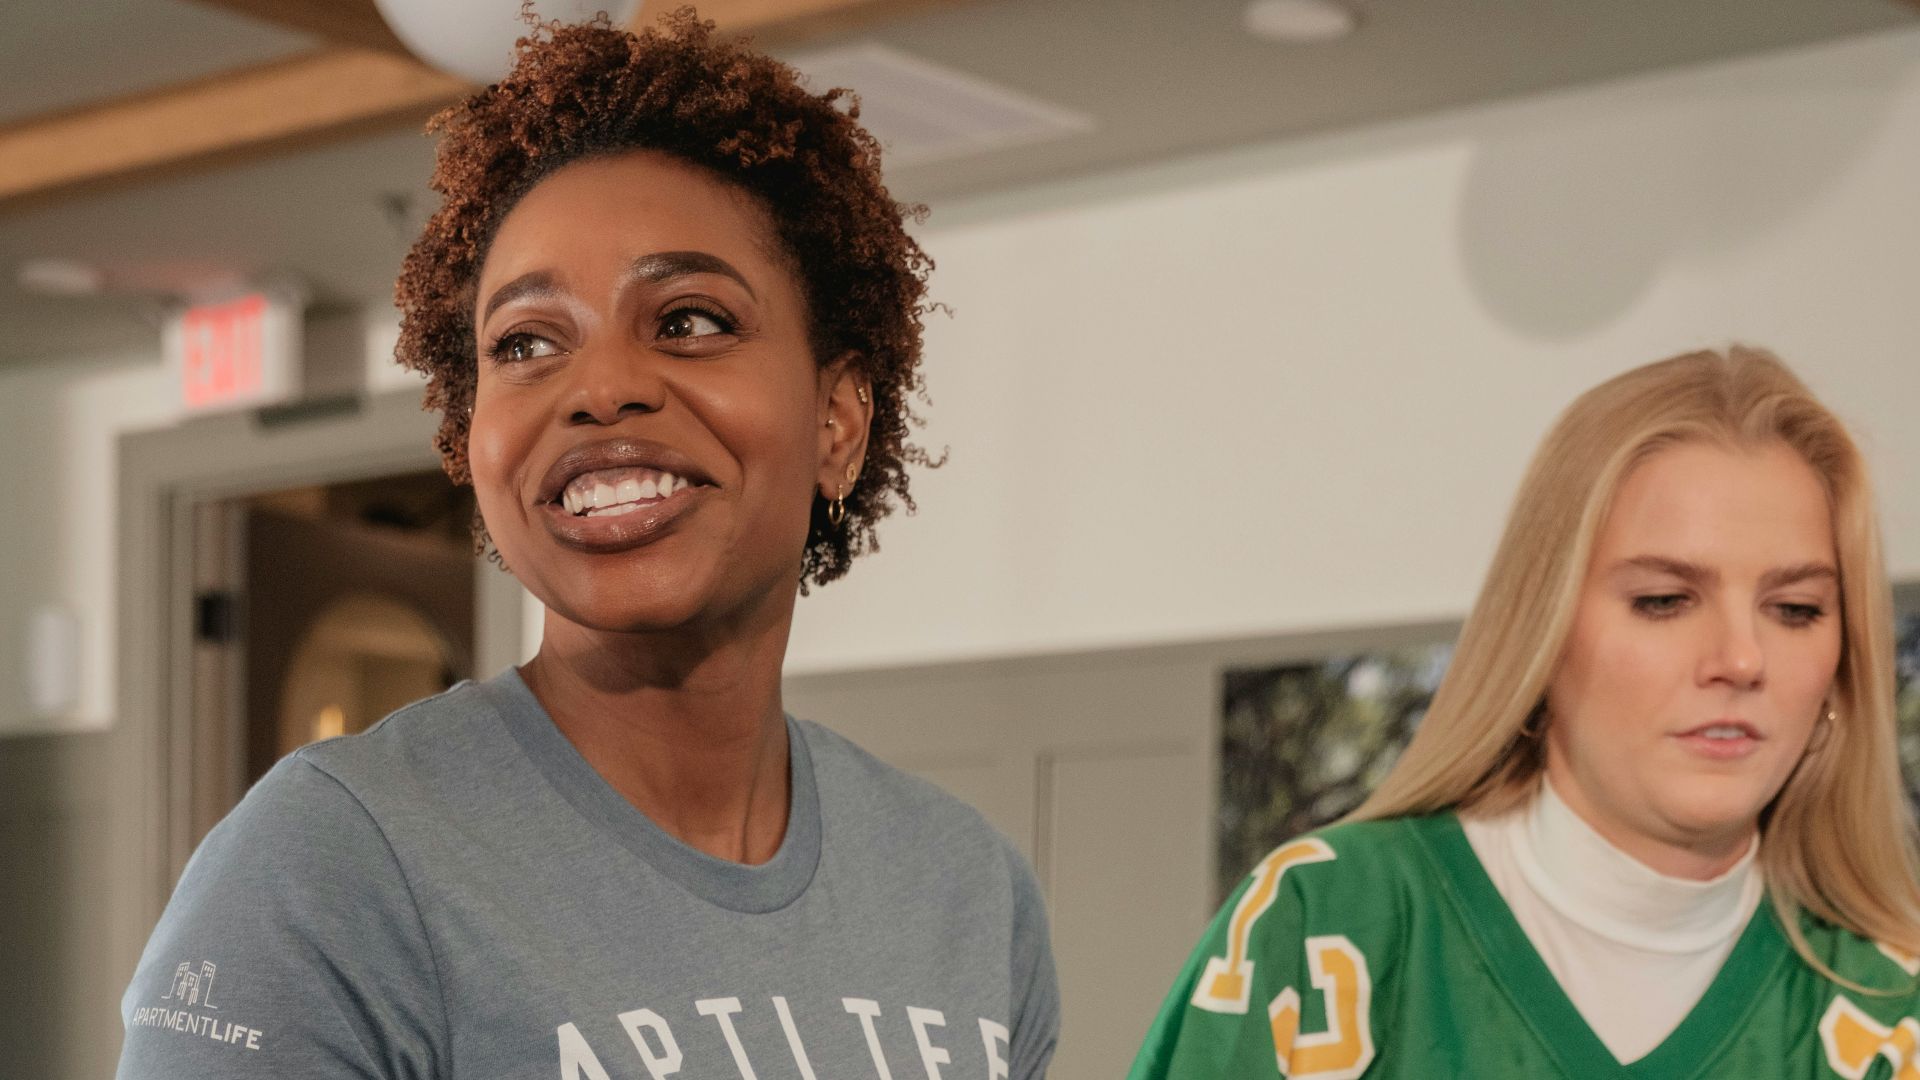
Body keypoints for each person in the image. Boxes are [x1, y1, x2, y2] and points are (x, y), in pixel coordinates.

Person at [117, 12, 1057, 1080]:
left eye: (691, 319)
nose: (602, 387)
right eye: (525, 342)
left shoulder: (966, 892)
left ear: (837, 424)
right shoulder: (333, 864)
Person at [1130, 347, 1920, 1079]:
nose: (1742, 660)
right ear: (1540, 633)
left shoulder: (1892, 1014)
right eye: (1664, 601)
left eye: (1795, 609)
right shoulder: (1325, 927)